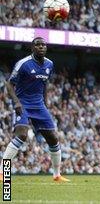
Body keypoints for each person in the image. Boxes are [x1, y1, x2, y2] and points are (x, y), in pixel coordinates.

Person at [3, 37, 69, 182]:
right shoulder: (23, 64)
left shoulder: (49, 64)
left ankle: (56, 175)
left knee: (53, 138)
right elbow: (9, 84)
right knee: (22, 135)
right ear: (32, 48)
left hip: (39, 106)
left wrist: (45, 104)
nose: (41, 47)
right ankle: (3, 172)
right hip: (23, 104)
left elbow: (44, 84)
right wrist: (16, 103)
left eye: (43, 45)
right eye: (38, 45)